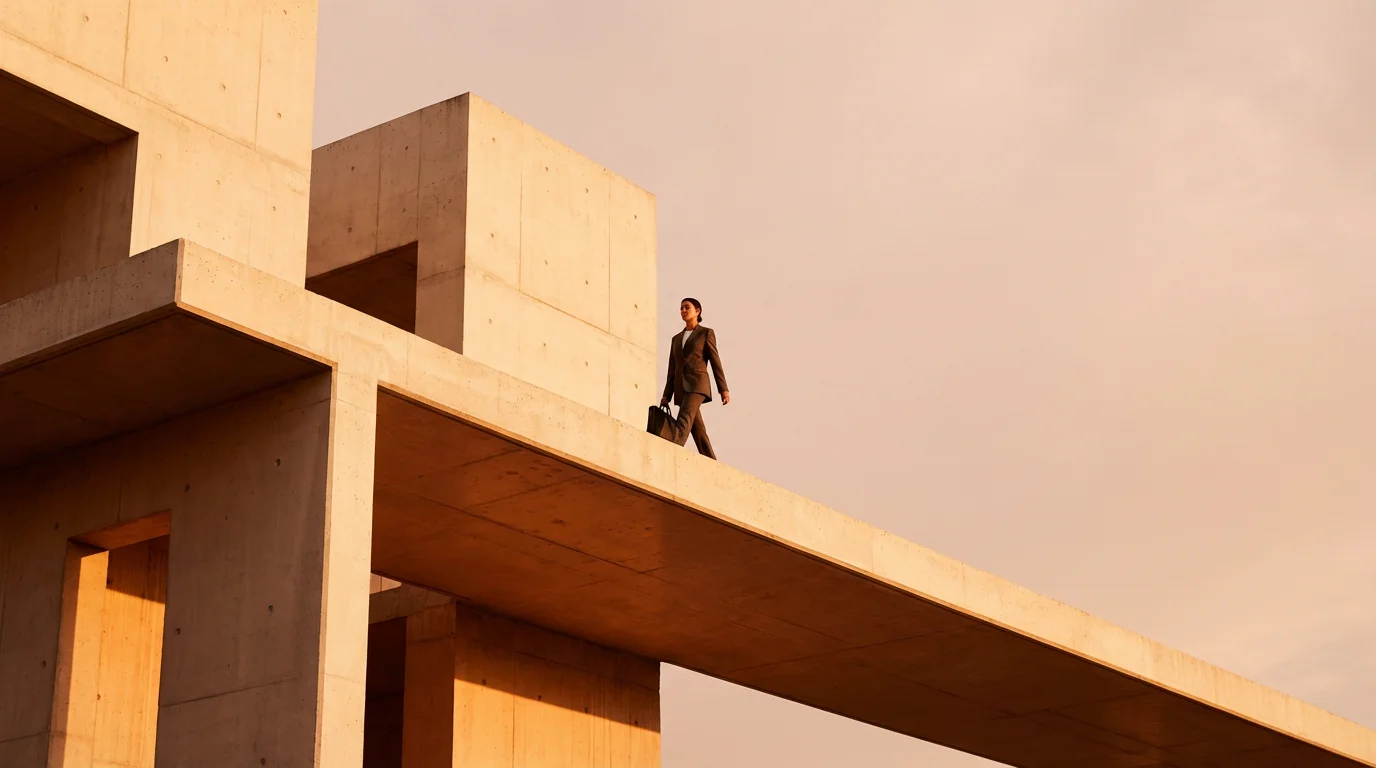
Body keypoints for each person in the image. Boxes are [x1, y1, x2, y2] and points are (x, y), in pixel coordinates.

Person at [660, 297, 730, 459]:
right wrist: (667, 394)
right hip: (680, 387)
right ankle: (711, 461)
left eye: (687, 308)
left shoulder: (705, 333)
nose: (683, 311)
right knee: (698, 429)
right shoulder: (676, 339)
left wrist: (723, 389)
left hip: (698, 384)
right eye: (681, 308)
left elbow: (715, 361)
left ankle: (672, 451)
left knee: (683, 419)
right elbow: (672, 368)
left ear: (697, 311)